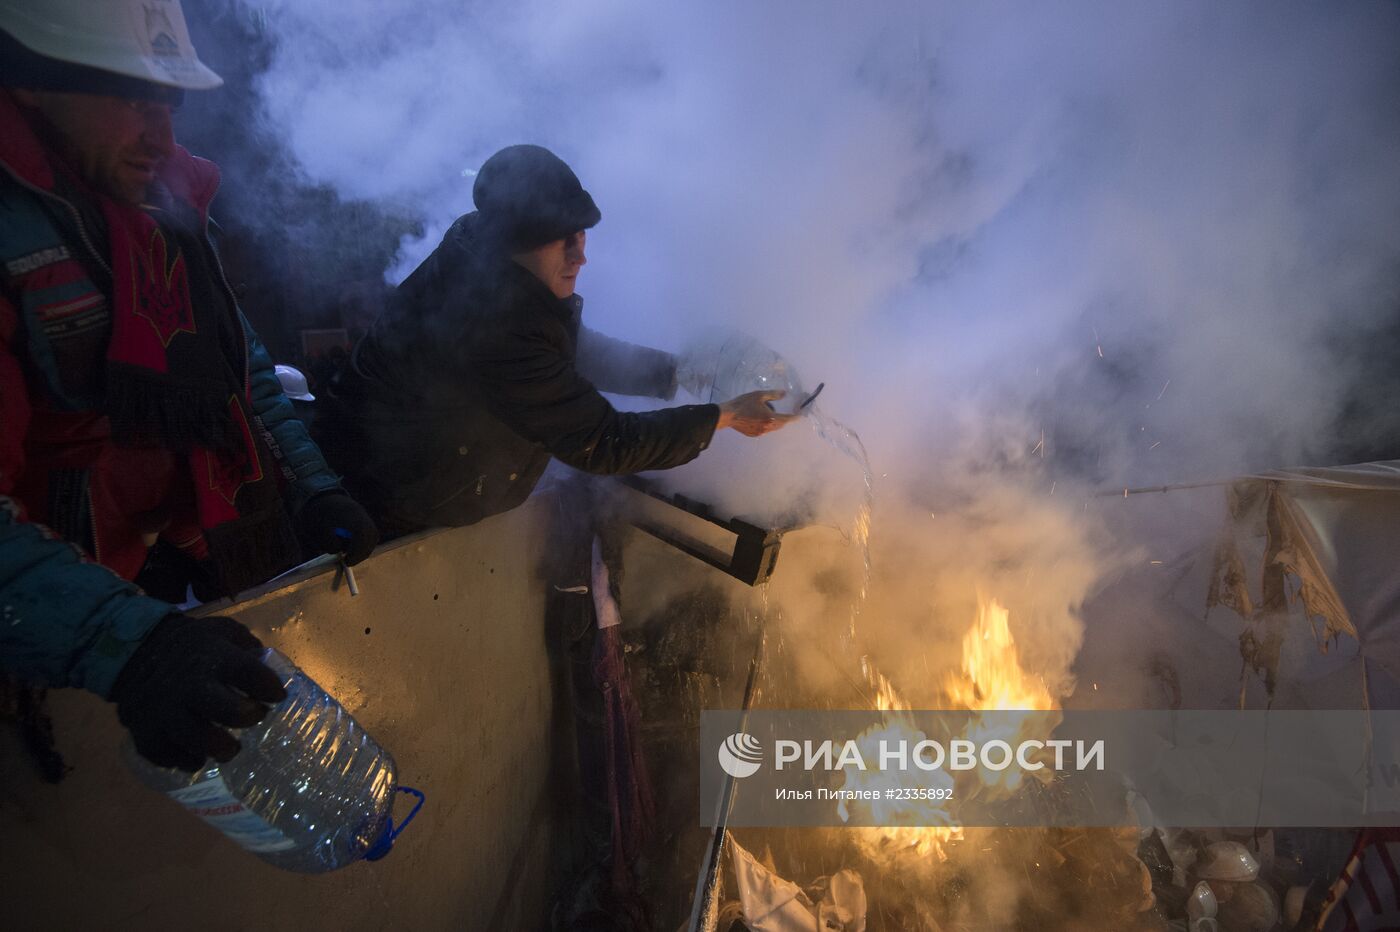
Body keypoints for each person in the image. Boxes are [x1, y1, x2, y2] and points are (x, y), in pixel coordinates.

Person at [0, 0, 378, 771]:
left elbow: (237, 369)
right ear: (32, 83)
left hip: (169, 557)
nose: (163, 135)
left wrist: (312, 485)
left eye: (169, 99)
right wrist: (125, 647)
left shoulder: (169, 204)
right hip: (57, 607)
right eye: (132, 97)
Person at [315, 144, 796, 536]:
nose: (579, 256)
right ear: (511, 238)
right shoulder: (497, 323)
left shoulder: (481, 251)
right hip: (397, 502)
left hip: (421, 473)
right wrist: (726, 416)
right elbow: (604, 442)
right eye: (559, 239)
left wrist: (677, 372)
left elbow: (571, 351)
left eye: (581, 234)